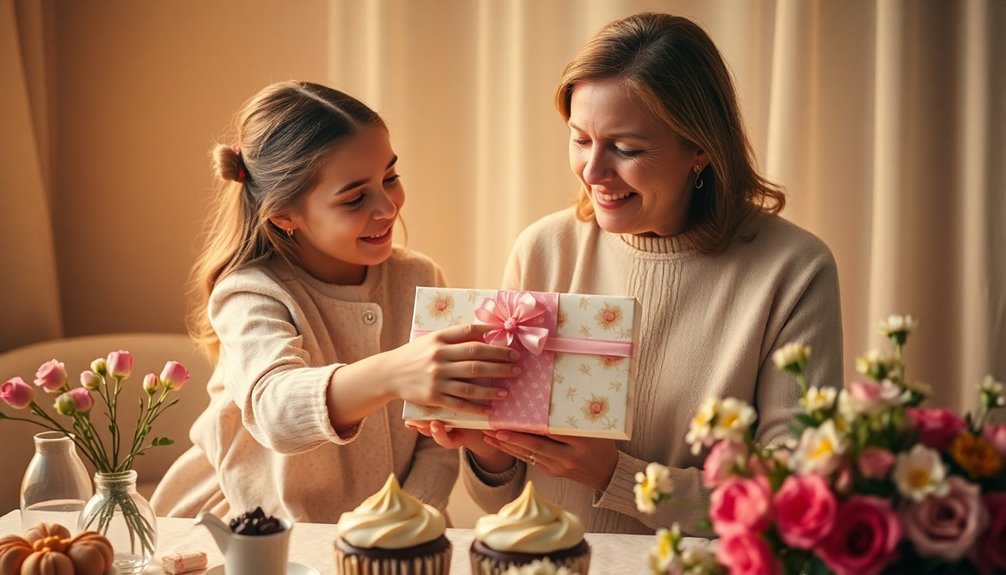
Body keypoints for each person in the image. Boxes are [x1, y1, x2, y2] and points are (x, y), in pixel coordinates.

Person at [410, 12, 843, 535]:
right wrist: (486, 443)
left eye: (626, 148)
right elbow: (497, 499)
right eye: (580, 139)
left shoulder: (794, 271)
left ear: (700, 149)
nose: (593, 172)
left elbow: (796, 498)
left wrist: (617, 476)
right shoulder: (545, 248)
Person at [151, 81, 519, 522]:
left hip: (376, 538)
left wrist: (414, 511)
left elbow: (434, 438)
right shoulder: (249, 292)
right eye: (355, 197)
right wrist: (395, 372)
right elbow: (276, 412)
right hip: (245, 527)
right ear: (285, 214)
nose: (387, 207)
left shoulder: (419, 277)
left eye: (391, 178)